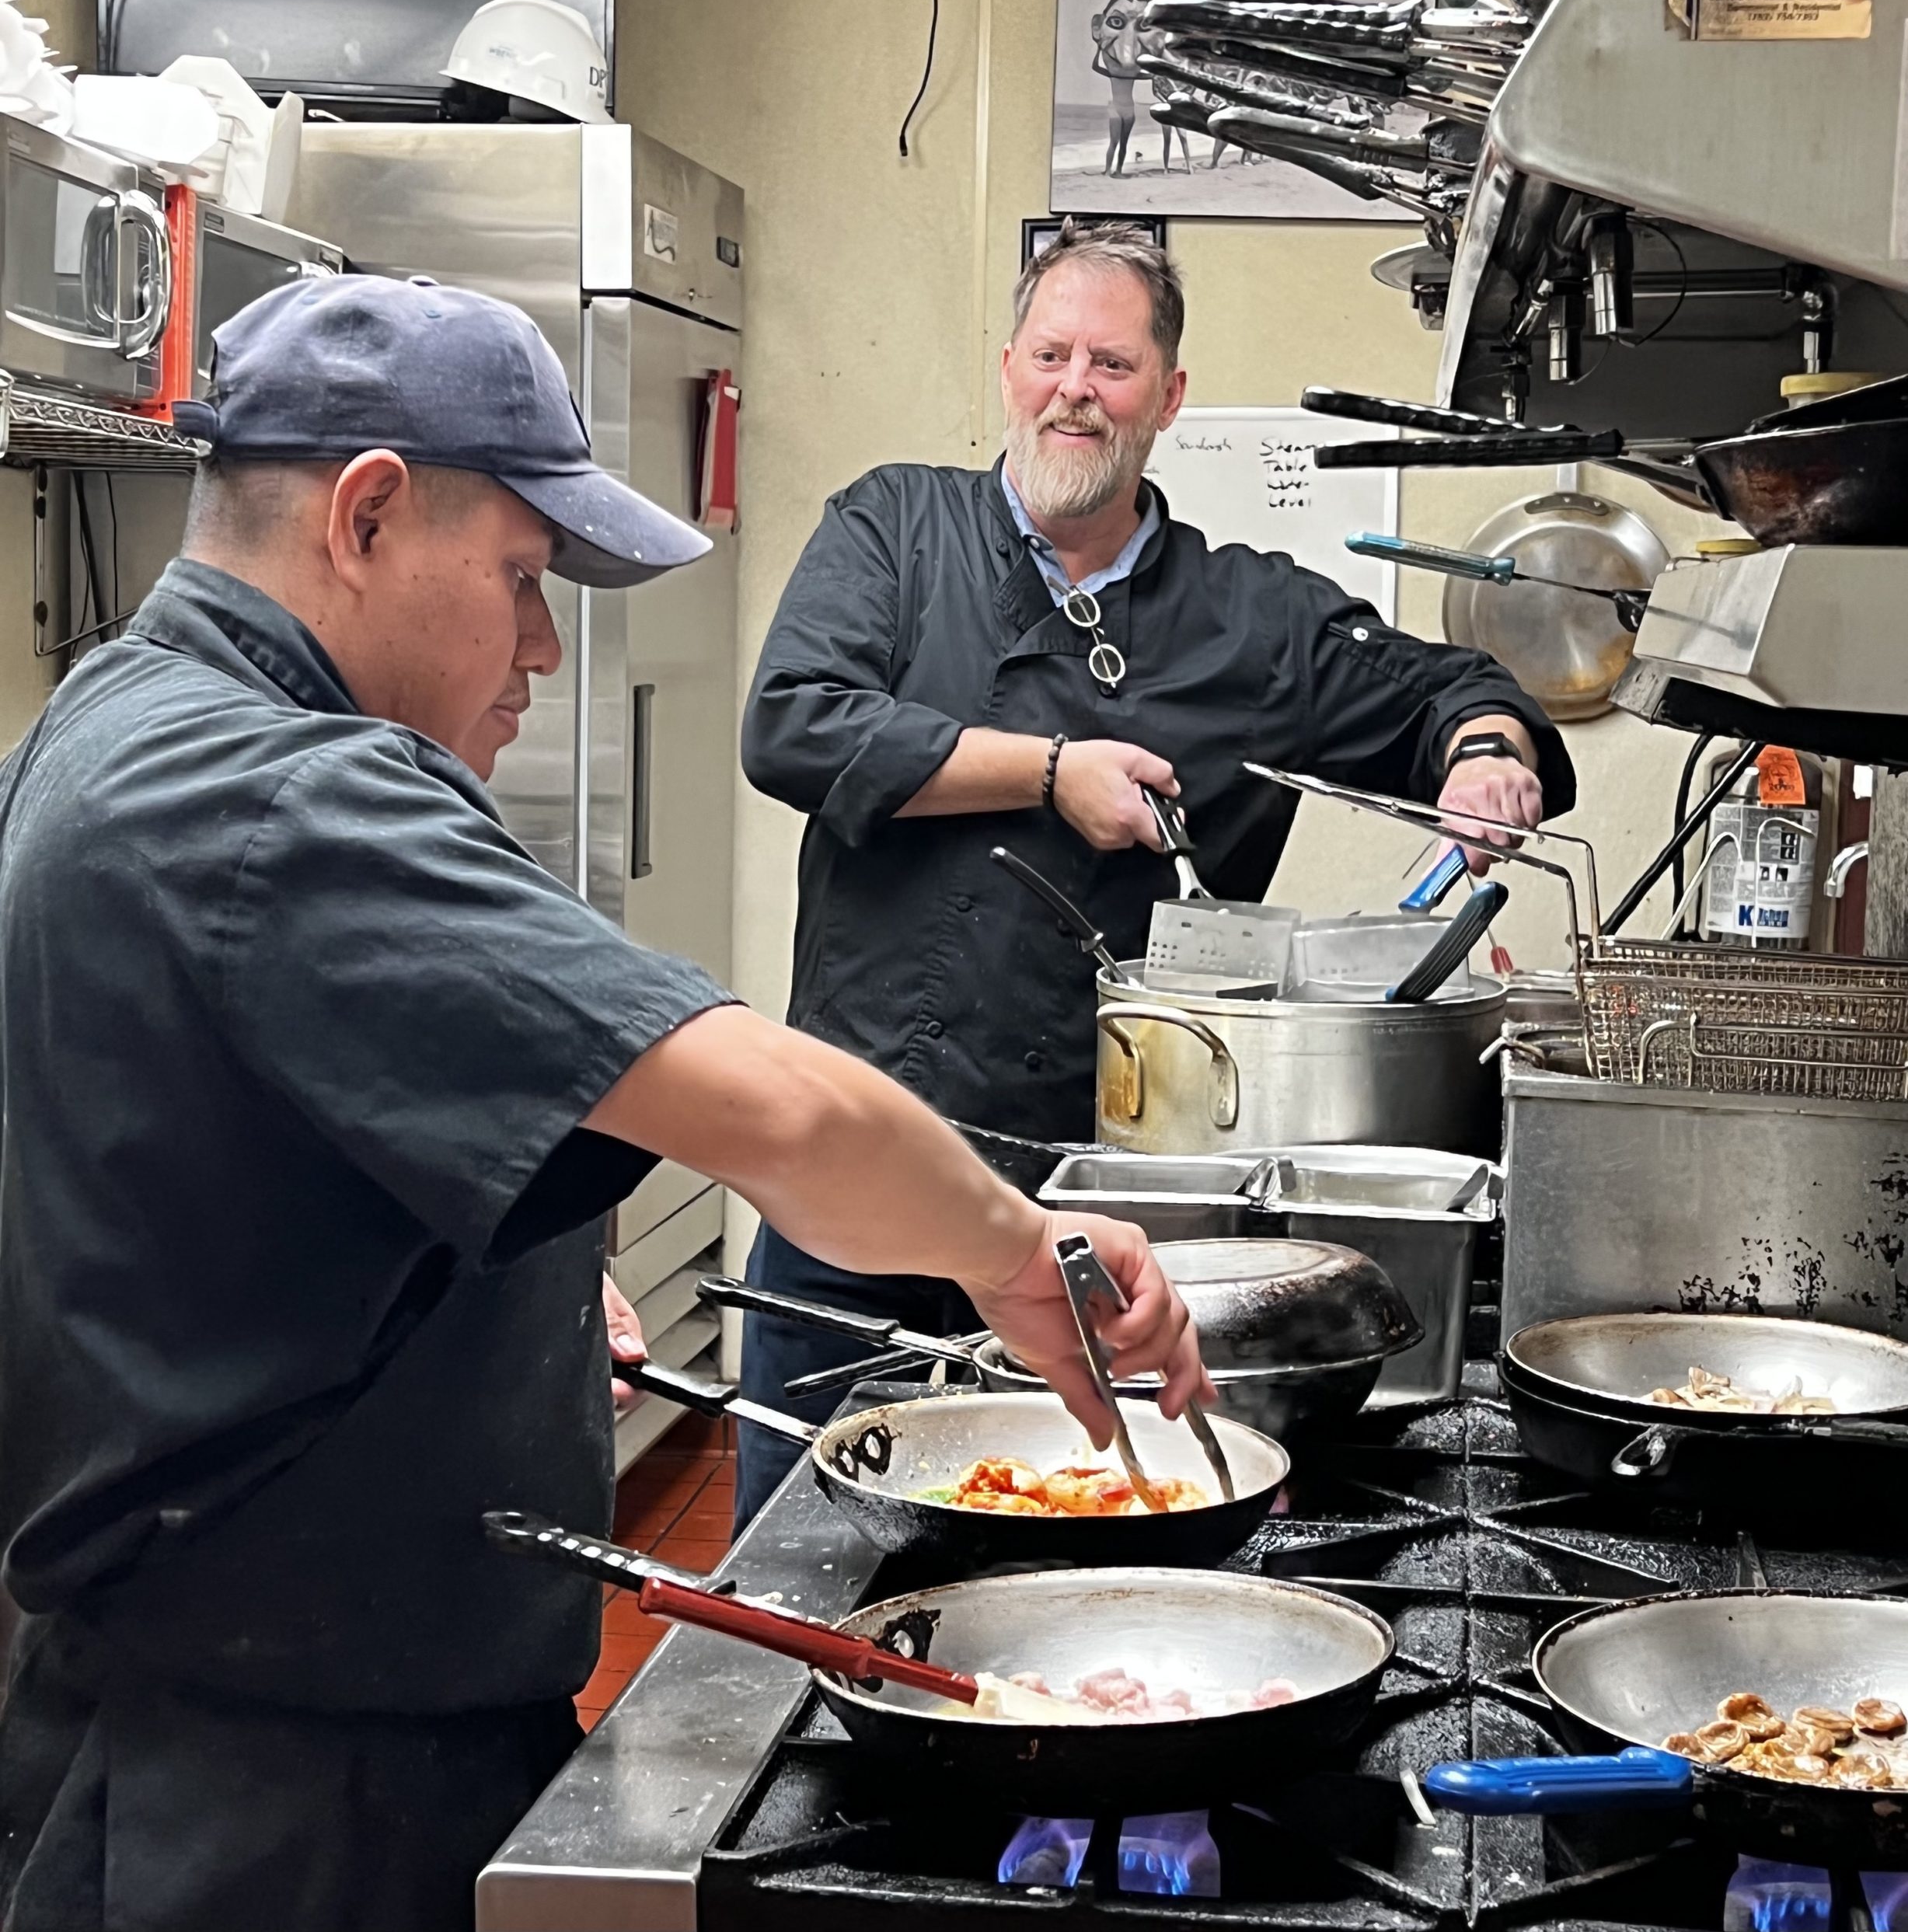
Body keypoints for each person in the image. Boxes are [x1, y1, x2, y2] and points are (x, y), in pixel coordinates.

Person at [0, 275, 1206, 1932]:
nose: (545, 646)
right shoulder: (282, 793)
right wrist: (1022, 1250)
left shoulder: (109, 724)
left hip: (212, 1725)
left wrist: (508, 1274)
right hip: (286, 1804)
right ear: (364, 514)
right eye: (520, 577)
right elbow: (779, 1114)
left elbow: (223, 1164)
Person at [735, 218, 1578, 1529]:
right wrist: (1049, 768)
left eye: (1114, 365)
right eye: (1053, 354)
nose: (1078, 388)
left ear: (1169, 397)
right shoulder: (897, 526)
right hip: (865, 1164)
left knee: (1082, 1535)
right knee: (808, 1541)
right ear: (1009, 367)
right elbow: (792, 722)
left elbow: (1452, 687)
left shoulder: (1253, 619)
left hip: (1113, 1201)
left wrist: (1484, 754)